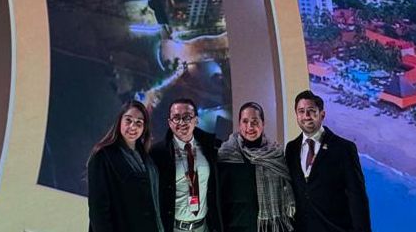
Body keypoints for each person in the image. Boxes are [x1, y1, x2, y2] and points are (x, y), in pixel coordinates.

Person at [284, 90, 371, 232]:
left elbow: (357, 197)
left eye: (312, 111)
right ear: (296, 115)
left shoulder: (344, 148)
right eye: (301, 111)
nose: (306, 116)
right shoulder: (291, 149)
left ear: (322, 114)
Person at [87, 100, 164, 232]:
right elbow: (98, 210)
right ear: (120, 121)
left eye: (139, 123)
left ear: (144, 128)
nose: (133, 126)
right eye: (128, 120)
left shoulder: (148, 160)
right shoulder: (103, 156)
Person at [218, 102, 295, 232]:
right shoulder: (227, 155)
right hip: (237, 226)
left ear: (263, 123)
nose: (250, 126)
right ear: (239, 124)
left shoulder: (276, 155)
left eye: (255, 121)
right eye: (245, 121)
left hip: (272, 227)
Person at [151, 98, 223, 232]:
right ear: (170, 123)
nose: (182, 122)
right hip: (174, 228)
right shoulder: (158, 153)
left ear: (196, 120)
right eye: (176, 118)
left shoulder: (210, 148)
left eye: (187, 117)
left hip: (204, 226)